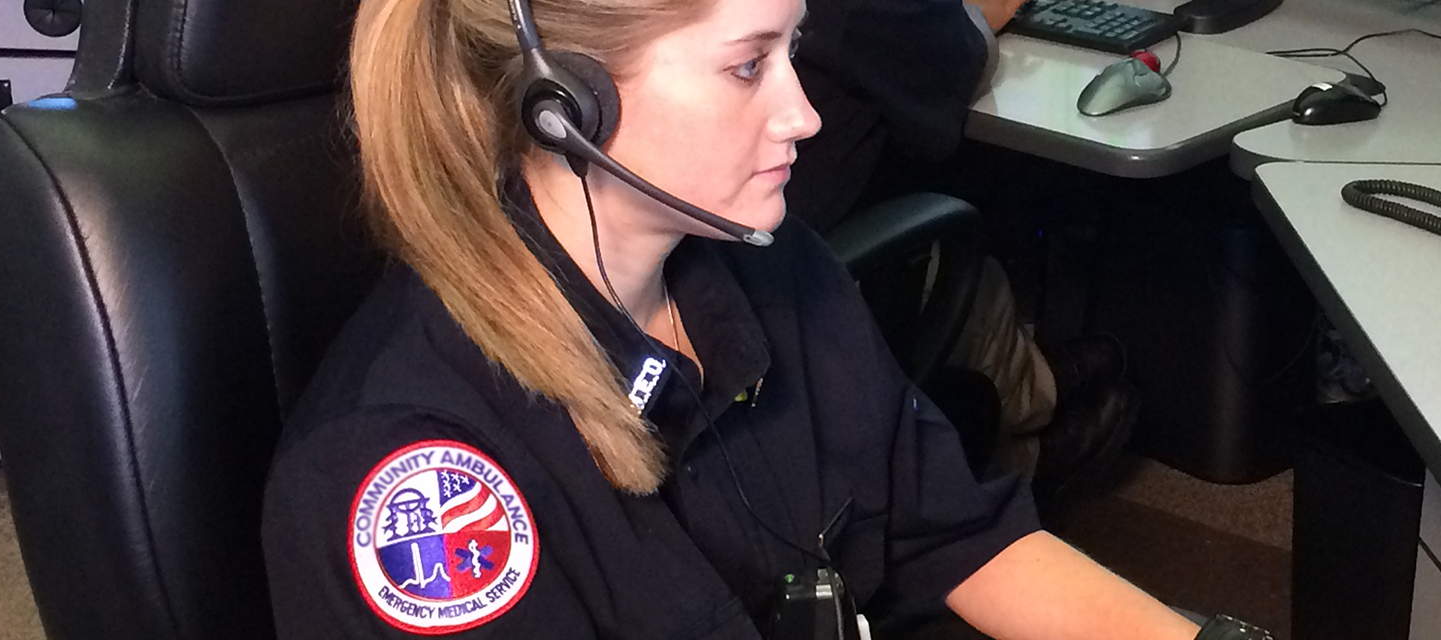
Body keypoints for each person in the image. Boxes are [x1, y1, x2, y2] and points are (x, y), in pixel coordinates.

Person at [260, 0, 1267, 637]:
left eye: (793, 52)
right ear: (566, 105)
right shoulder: (416, 488)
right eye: (749, 66)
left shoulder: (774, 269)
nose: (803, 113)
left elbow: (954, 533)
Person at [785, 0, 1137, 499]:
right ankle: (1033, 437)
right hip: (795, 276)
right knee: (966, 266)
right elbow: (961, 55)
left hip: (725, 250)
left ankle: (1038, 384)